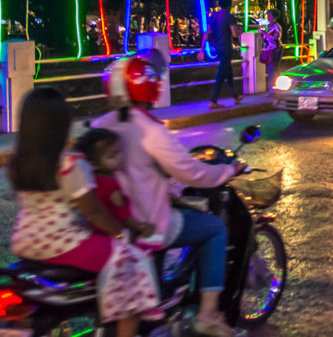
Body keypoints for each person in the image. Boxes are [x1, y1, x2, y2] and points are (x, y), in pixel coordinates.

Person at [93, 57, 245, 336]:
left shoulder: (100, 125)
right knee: (213, 229)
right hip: (148, 224)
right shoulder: (150, 130)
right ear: (150, 88)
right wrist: (229, 169)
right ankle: (208, 315)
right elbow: (193, 173)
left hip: (110, 226)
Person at [9, 88, 159, 337]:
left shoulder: (17, 163)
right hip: (62, 242)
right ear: (62, 124)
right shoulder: (71, 165)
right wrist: (123, 235)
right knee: (132, 260)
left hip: (24, 241)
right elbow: (95, 213)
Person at [74, 127, 156, 242]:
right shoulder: (110, 184)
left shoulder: (87, 181)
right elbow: (123, 214)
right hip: (117, 233)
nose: (120, 157)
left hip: (96, 234)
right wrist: (141, 227)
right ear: (94, 164)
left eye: (120, 151)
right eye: (112, 156)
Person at [201, 0, 242, 109]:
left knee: (228, 71)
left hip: (217, 48)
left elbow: (207, 33)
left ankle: (235, 96)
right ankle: (213, 101)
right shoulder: (229, 16)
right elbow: (234, 34)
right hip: (226, 47)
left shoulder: (213, 15)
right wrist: (239, 33)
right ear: (229, 5)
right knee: (221, 74)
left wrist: (201, 50)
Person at [260, 8, 283, 92]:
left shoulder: (276, 26)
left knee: (272, 70)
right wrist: (263, 36)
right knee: (272, 70)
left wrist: (265, 35)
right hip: (269, 49)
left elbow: (276, 39)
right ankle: (275, 88)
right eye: (268, 15)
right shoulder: (268, 26)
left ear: (274, 17)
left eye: (270, 15)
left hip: (275, 50)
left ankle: (272, 89)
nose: (268, 17)